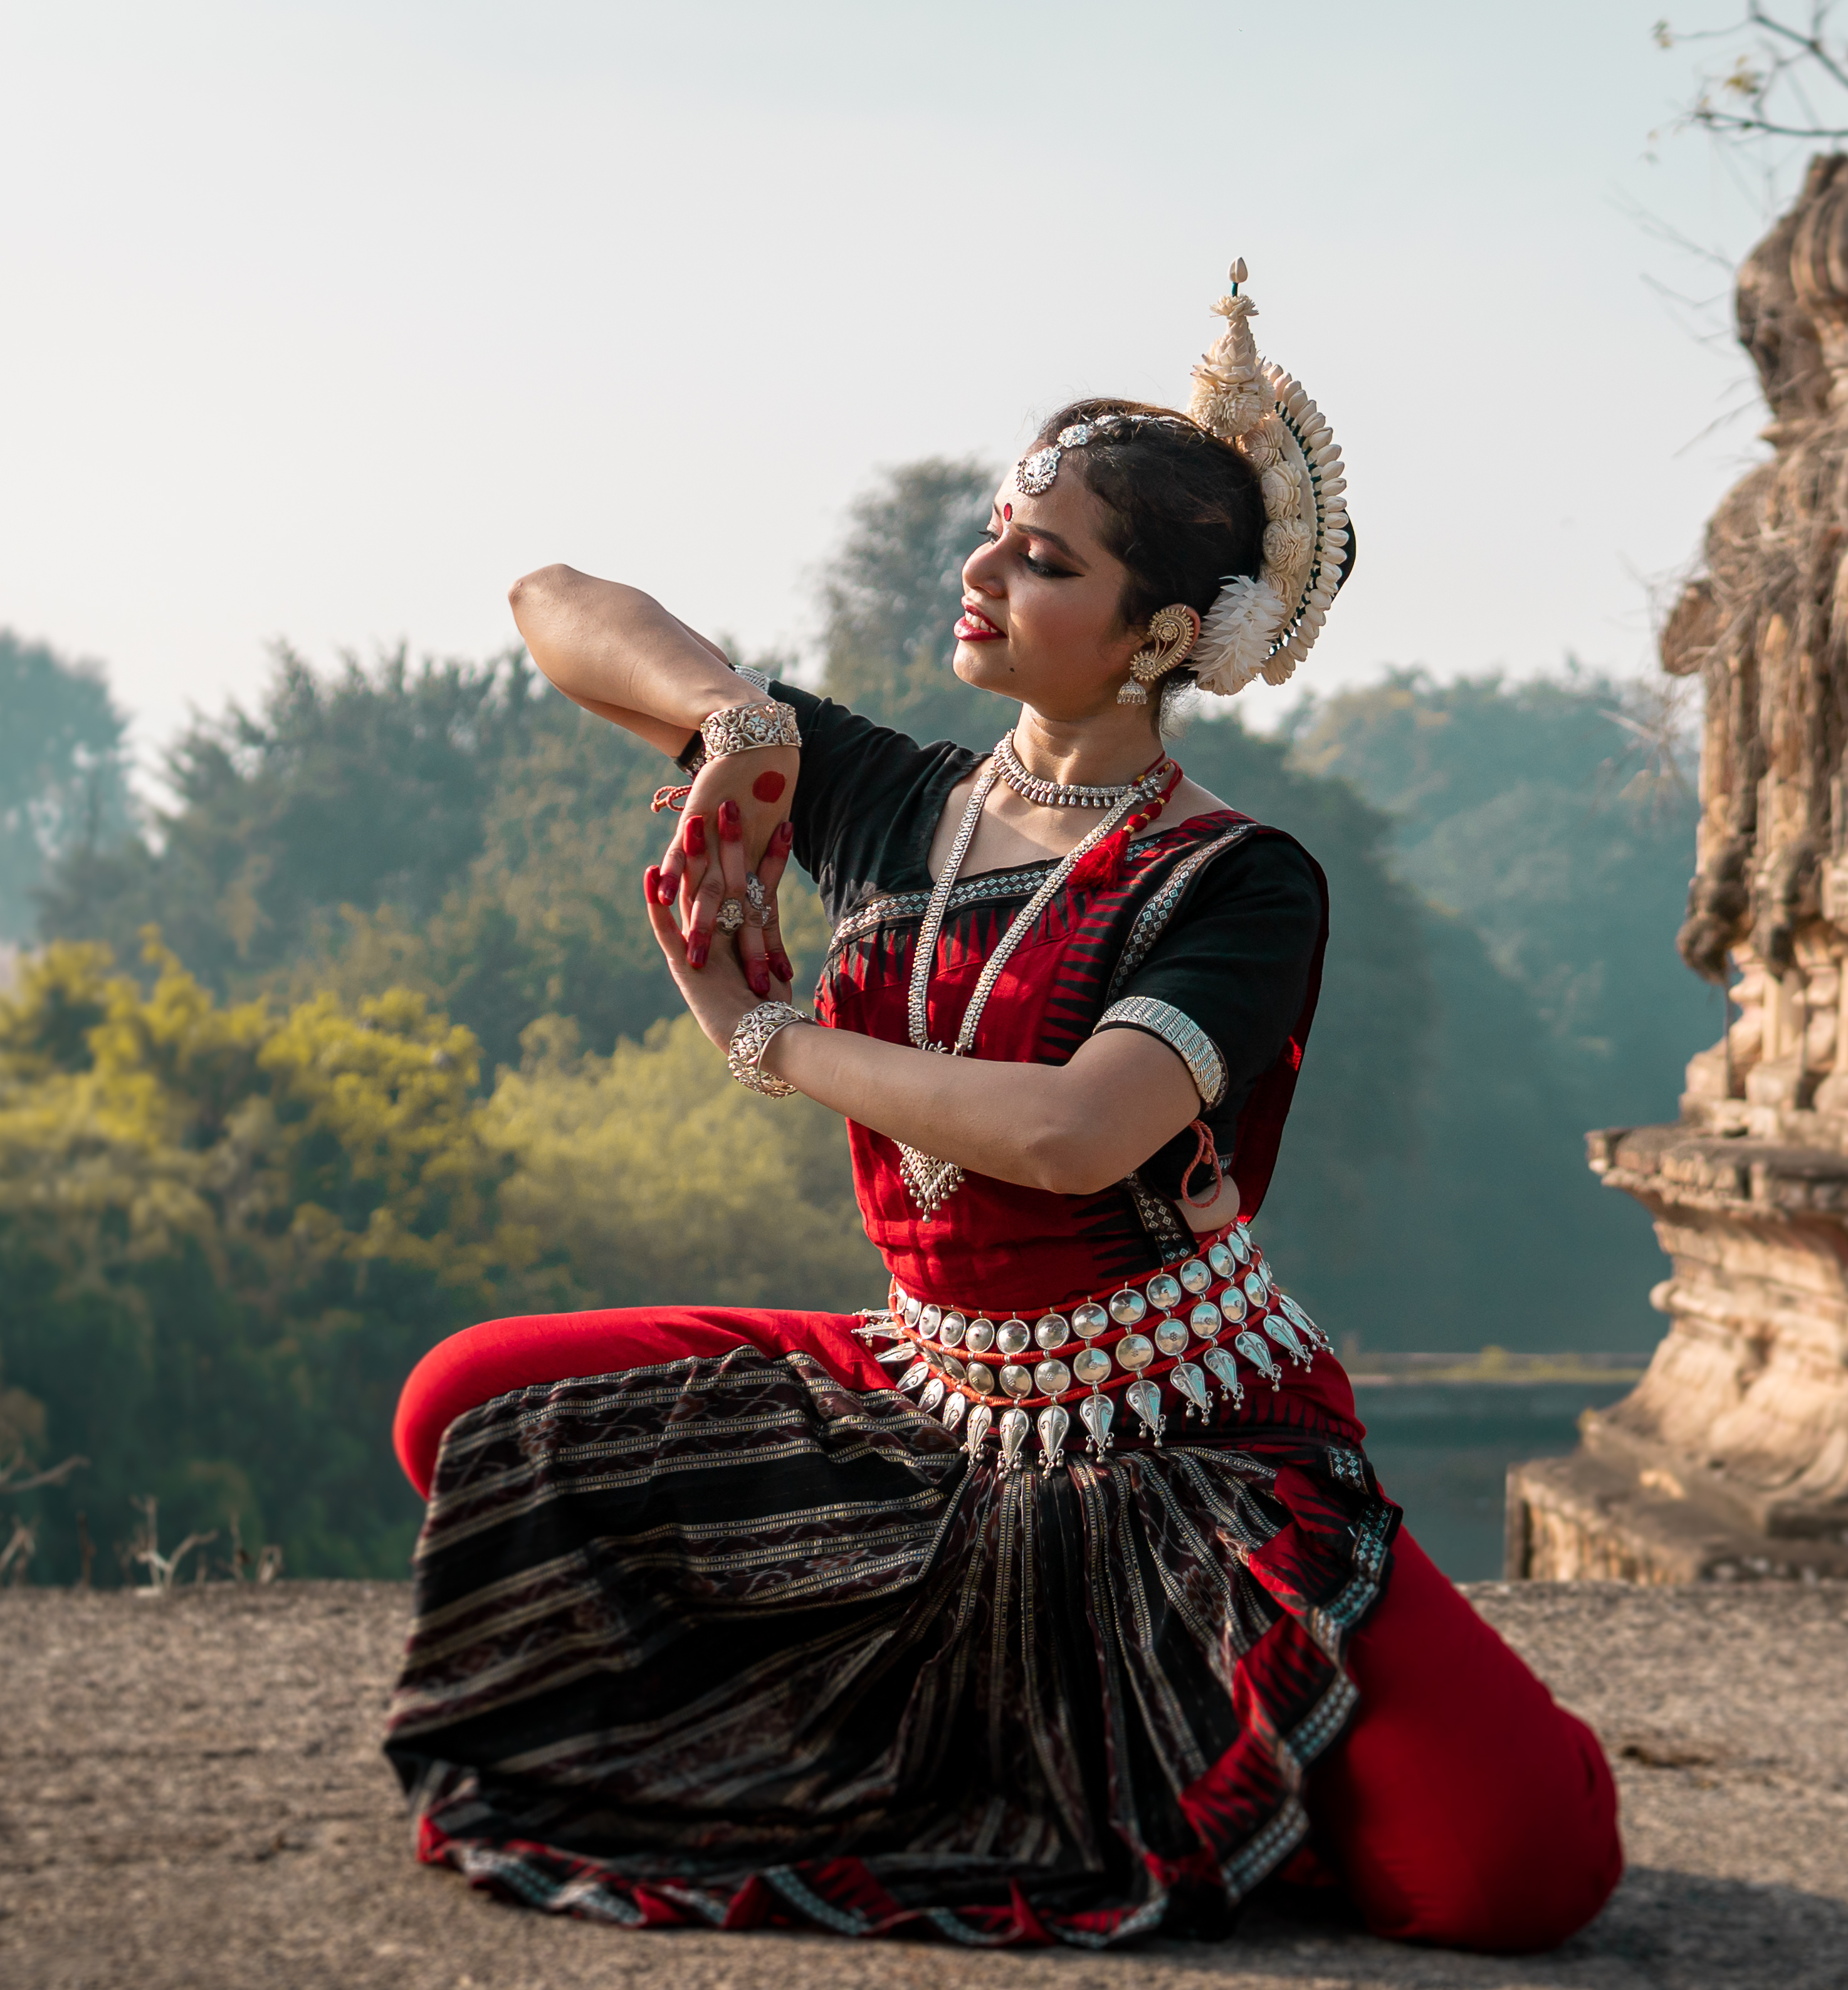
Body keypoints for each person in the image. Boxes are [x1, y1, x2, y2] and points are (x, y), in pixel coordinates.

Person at [376, 266, 1621, 1954]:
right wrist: (735, 723)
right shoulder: (891, 800)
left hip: (1179, 1430)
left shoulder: (1235, 883)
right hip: (929, 1385)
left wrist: (763, 1037)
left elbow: (1068, 1136)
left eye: (1047, 561)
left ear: (1164, 635)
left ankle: (1226, 1763)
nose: (981, 572)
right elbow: (555, 602)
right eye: (992, 532)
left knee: (1514, 1876)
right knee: (468, 1409)